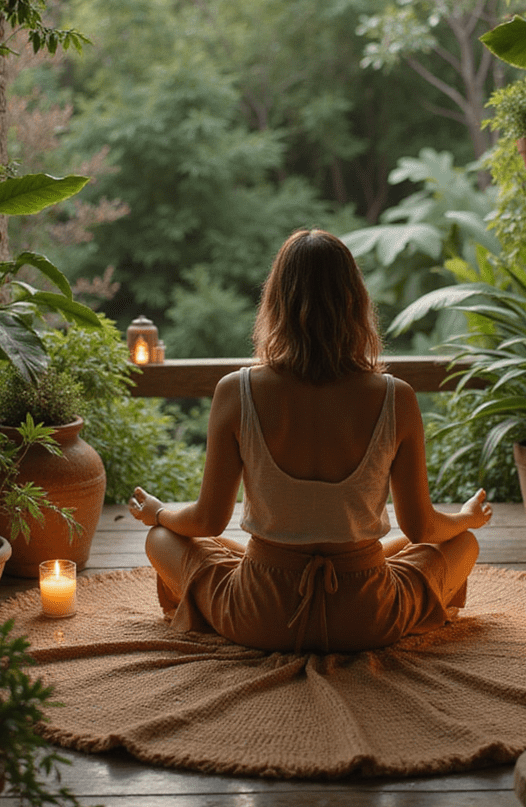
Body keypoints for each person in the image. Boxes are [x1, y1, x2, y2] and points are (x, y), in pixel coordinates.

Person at [129, 229, 491, 653]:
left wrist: (160, 513)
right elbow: (422, 528)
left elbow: (206, 521)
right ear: (356, 304)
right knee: (460, 544)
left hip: (261, 614)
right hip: (368, 615)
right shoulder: (398, 397)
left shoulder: (236, 391)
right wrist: (464, 518)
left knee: (162, 539)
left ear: (276, 302)